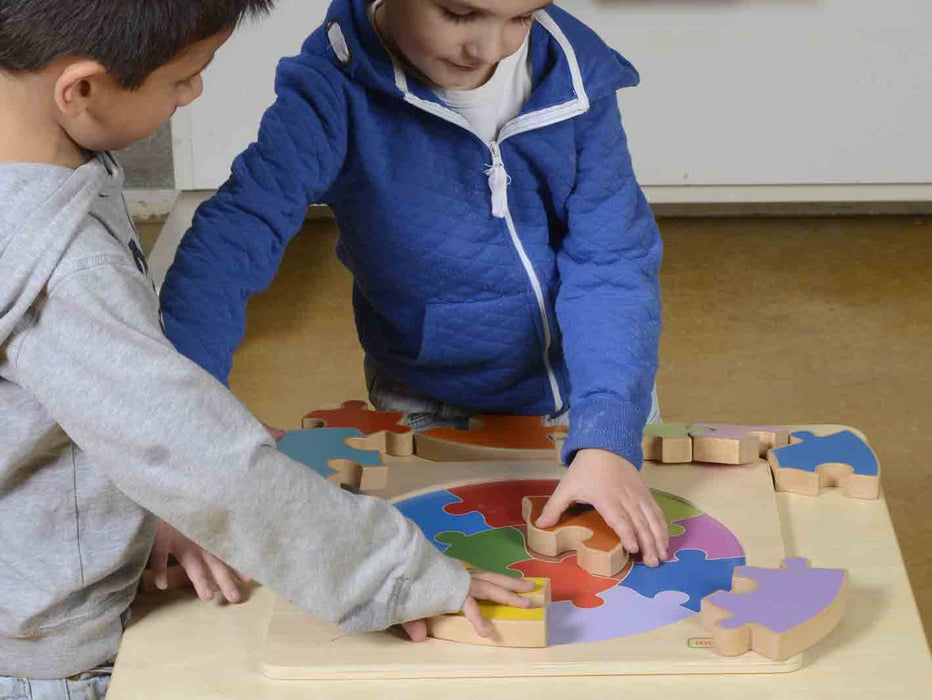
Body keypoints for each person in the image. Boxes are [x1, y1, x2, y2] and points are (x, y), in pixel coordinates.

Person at [0, 1, 532, 693]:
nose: (194, 93)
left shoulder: (41, 149)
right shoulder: (64, 267)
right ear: (81, 90)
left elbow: (89, 391)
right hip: (55, 652)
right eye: (182, 77)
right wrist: (405, 576)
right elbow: (194, 457)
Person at [160, 0, 671, 570]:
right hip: (427, 401)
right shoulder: (332, 89)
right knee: (446, 584)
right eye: (458, 14)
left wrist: (606, 435)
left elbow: (612, 262)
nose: (491, 48)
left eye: (522, 18)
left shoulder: (575, 77)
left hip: (590, 396)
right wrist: (185, 443)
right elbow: (230, 243)